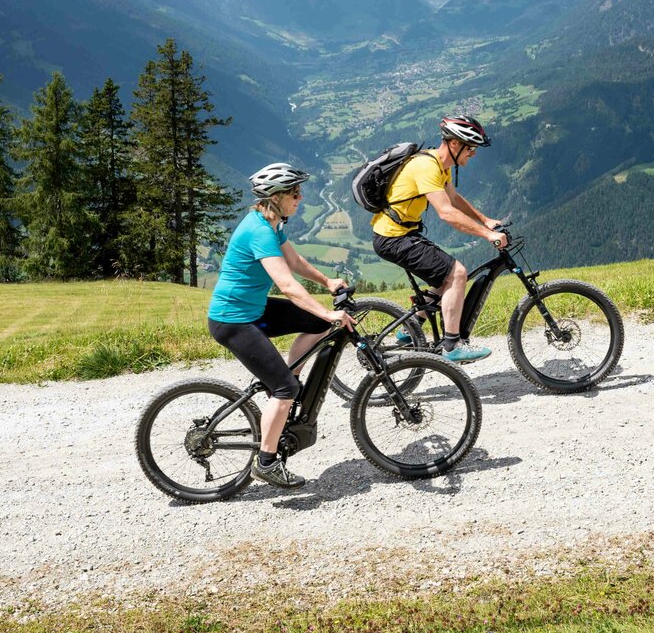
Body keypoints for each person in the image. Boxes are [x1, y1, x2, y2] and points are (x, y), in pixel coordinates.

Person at [207, 162, 354, 489]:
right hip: (232, 321)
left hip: (252, 310)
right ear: (274, 197)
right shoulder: (258, 230)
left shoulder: (270, 224)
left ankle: (289, 382)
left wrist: (326, 280)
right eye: (294, 192)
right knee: (285, 387)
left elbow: (294, 261)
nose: (300, 197)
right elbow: (287, 285)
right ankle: (267, 461)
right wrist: (330, 313)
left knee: (315, 324)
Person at [371, 115, 507, 363]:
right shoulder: (427, 167)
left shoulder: (439, 166)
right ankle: (452, 346)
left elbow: (453, 199)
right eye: (471, 148)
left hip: (401, 233)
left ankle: (407, 330)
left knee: (445, 279)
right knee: (457, 274)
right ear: (454, 144)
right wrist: (488, 235)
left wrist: (485, 219)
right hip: (393, 238)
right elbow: (446, 212)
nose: (473, 154)